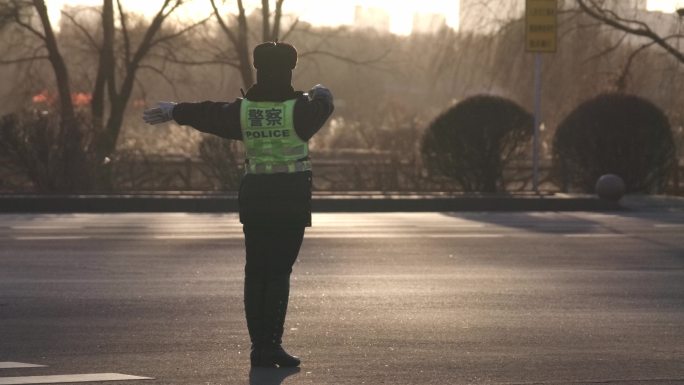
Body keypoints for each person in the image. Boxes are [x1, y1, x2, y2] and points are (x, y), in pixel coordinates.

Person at [142, 41, 334, 368]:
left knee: (255, 272)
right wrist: (321, 92)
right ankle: (272, 345)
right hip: (290, 202)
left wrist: (175, 110)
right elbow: (324, 106)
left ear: (258, 69)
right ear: (289, 69)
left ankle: (259, 347)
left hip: (255, 200)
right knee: (278, 273)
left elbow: (208, 113)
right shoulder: (300, 111)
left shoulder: (243, 112)